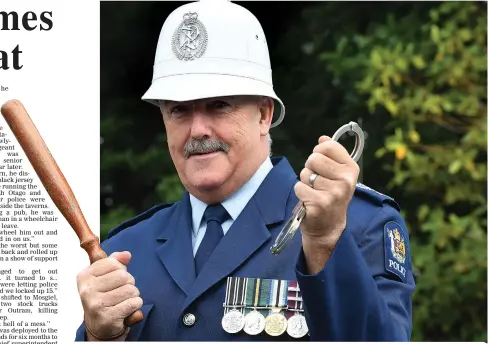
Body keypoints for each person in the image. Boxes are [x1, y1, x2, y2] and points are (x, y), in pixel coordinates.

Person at [75, 0, 415, 341]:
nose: (197, 130)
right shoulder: (126, 251)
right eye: (179, 110)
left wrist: (325, 241)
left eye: (219, 105)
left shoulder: (356, 226)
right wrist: (97, 338)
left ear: (264, 115)